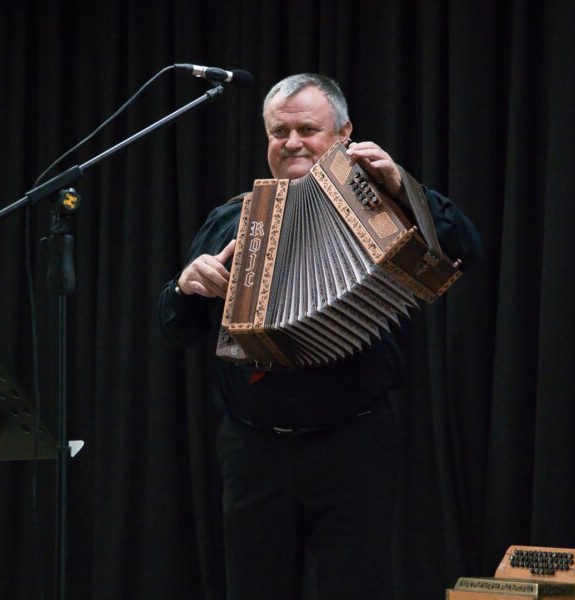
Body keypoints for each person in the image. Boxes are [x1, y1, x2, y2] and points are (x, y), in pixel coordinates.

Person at [158, 73, 482, 599]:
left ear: (344, 133)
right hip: (254, 450)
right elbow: (176, 330)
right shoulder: (232, 219)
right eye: (278, 131)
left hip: (353, 445)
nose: (292, 143)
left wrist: (402, 185)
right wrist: (182, 288)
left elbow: (467, 246)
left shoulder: (386, 204)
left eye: (307, 129)